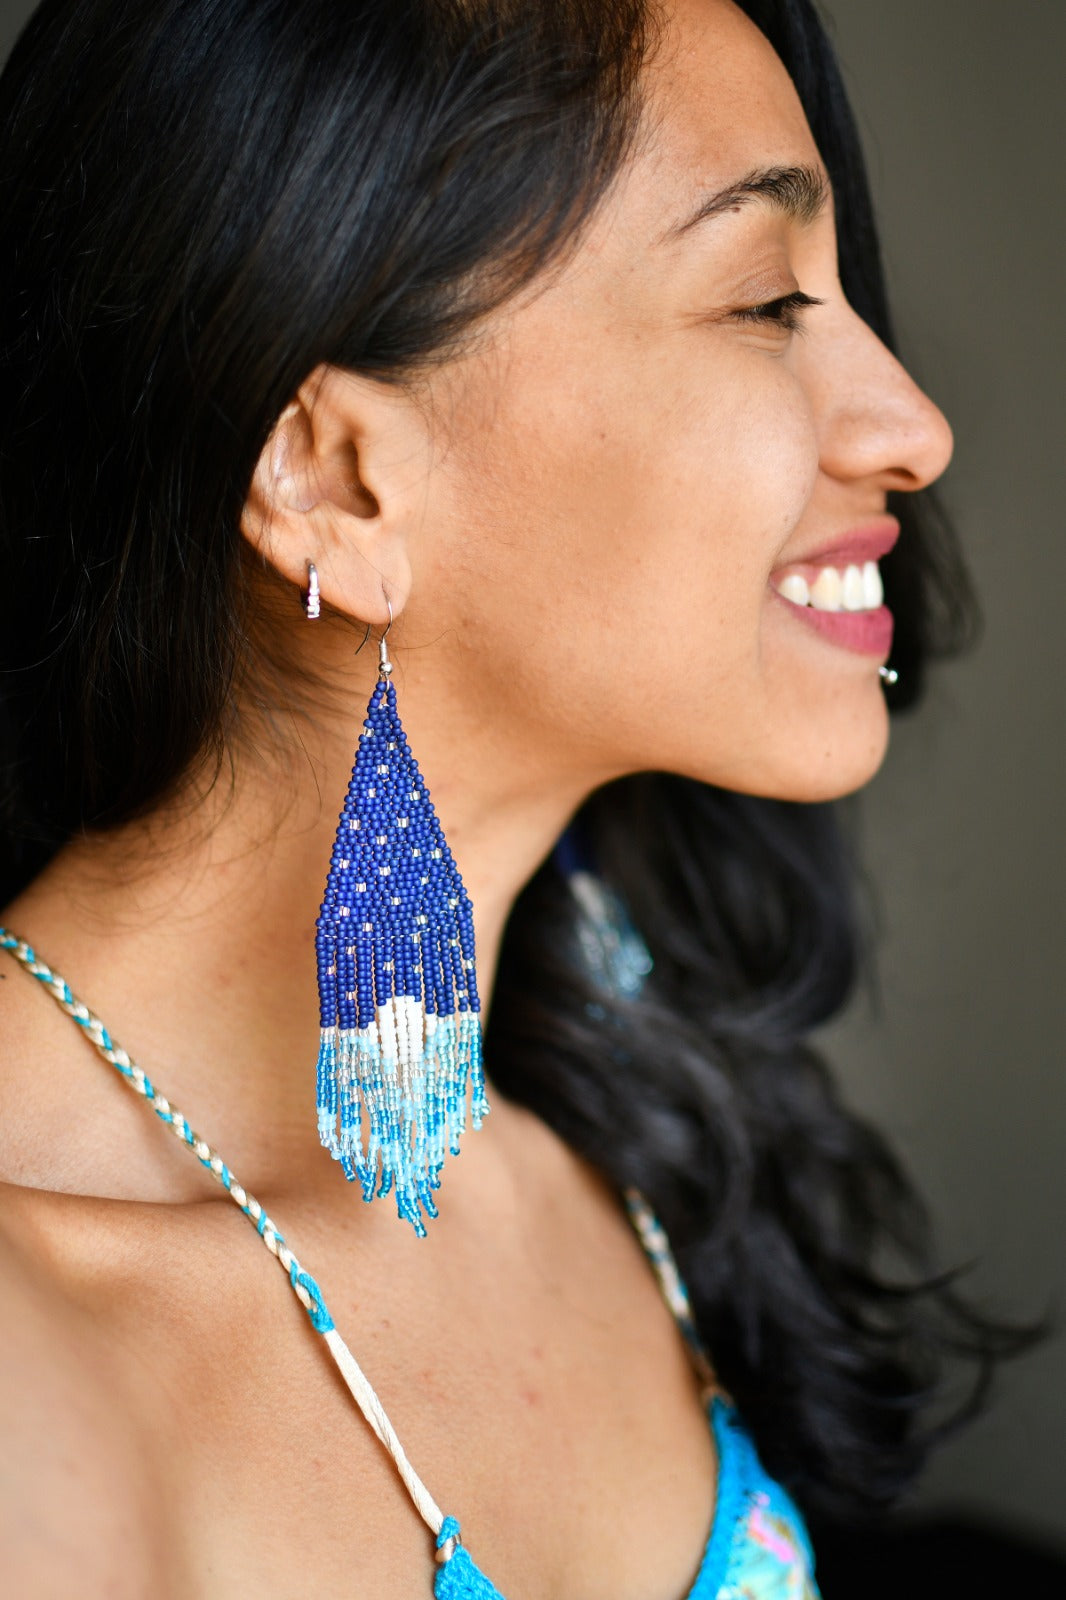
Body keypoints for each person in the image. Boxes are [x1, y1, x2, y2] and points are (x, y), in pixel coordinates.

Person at [0, 0, 1013, 1595]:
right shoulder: (31, 1358)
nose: (911, 426)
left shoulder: (626, 1158)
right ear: (335, 480)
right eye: (761, 298)